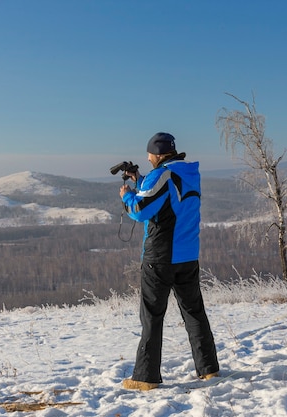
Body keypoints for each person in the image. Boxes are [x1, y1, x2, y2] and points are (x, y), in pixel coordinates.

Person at [119, 132, 219, 391]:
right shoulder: (188, 173)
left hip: (161, 258)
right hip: (187, 256)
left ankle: (145, 377)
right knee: (194, 313)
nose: (148, 157)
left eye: (149, 154)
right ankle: (208, 369)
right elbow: (166, 196)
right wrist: (140, 179)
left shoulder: (160, 175)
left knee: (152, 316)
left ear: (158, 153)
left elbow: (140, 211)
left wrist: (127, 195)